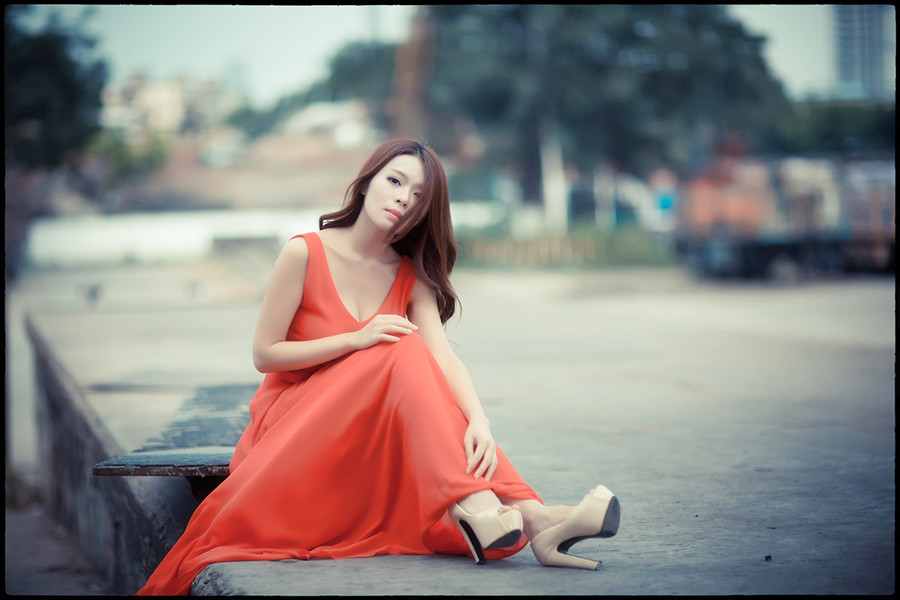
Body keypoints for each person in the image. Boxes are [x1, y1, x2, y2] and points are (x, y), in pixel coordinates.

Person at [137, 138, 619, 595]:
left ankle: (525, 517)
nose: (403, 199)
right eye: (395, 181)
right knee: (397, 345)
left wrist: (479, 419)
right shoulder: (304, 251)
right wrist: (354, 338)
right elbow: (265, 354)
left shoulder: (409, 273)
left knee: (410, 352)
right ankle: (509, 512)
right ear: (367, 181)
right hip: (294, 423)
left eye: (418, 195)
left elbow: (441, 357)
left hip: (366, 436)